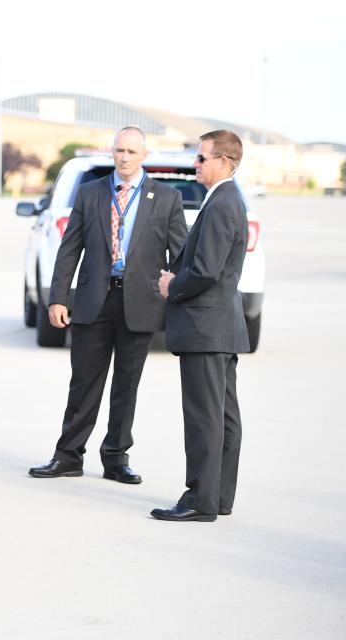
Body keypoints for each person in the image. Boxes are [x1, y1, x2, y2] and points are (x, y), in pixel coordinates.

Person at [29, 126, 187, 483]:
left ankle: (116, 458)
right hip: (92, 302)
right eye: (120, 151)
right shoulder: (90, 193)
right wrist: (58, 298)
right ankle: (68, 455)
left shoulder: (166, 198)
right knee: (83, 383)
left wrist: (177, 297)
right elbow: (69, 248)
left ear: (144, 155)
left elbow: (179, 255)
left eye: (132, 151)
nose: (125, 157)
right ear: (112, 153)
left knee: (126, 387)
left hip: (140, 303)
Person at [152, 130, 249, 522]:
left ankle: (200, 500)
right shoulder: (226, 199)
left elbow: (206, 270)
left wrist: (171, 284)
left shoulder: (223, 202)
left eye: (201, 158)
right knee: (223, 417)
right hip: (219, 327)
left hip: (207, 328)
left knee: (205, 417)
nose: (195, 164)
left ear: (223, 161)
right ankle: (218, 497)